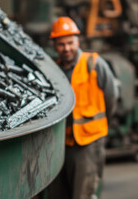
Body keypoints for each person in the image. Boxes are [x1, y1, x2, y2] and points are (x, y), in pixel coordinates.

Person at [50, 16, 118, 199]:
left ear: (77, 41)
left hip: (88, 143)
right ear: (54, 46)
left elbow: (111, 98)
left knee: (84, 194)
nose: (66, 48)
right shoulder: (53, 70)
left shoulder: (94, 64)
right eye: (61, 44)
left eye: (70, 43)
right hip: (62, 143)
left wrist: (101, 125)